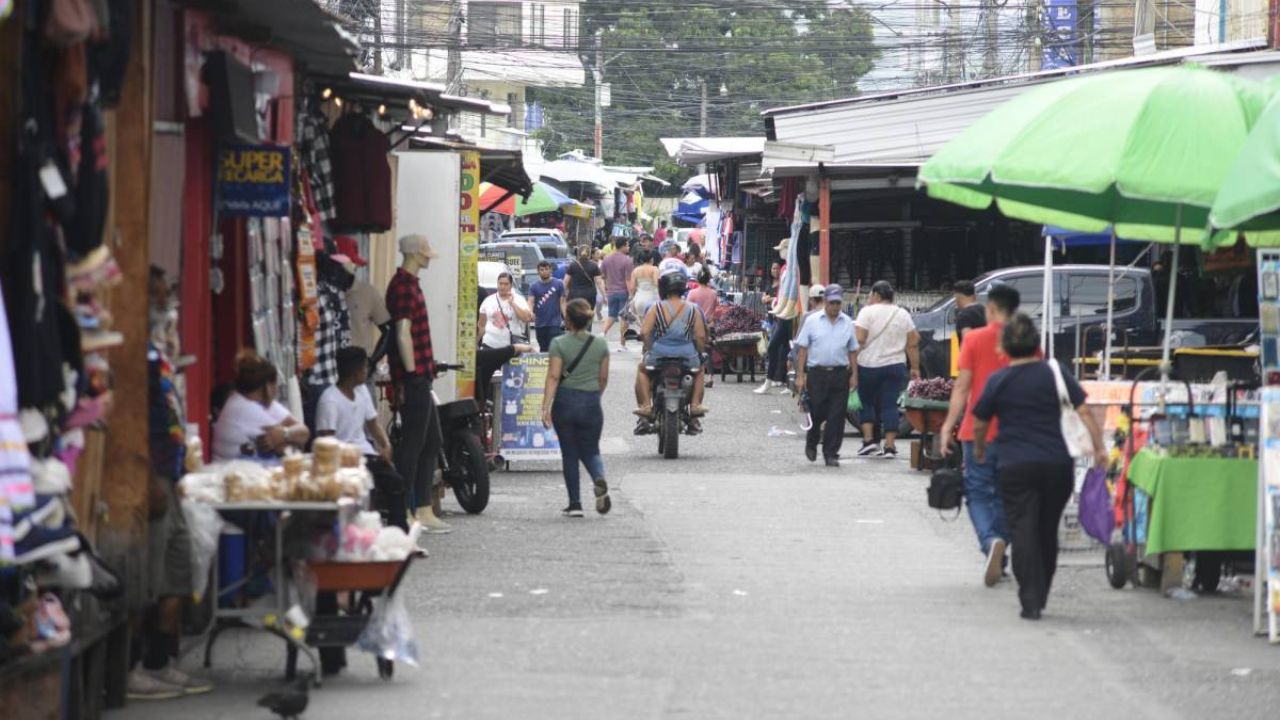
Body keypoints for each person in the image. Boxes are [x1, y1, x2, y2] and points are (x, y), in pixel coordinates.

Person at [972, 314, 1106, 620]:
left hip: (1014, 465)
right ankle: (1041, 589)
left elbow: (980, 421)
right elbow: (1084, 411)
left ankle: (1030, 597)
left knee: (1022, 529)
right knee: (1046, 529)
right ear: (1036, 345)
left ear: (1004, 348)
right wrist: (1099, 447)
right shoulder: (1055, 372)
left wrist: (980, 449)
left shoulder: (999, 380)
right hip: (1058, 465)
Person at [939, 283, 1020, 586]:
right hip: (1015, 431)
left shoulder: (973, 340)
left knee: (977, 491)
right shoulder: (1026, 342)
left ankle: (990, 543)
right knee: (1007, 493)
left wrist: (948, 426)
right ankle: (1000, 548)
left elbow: (962, 387)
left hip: (978, 430)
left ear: (992, 310)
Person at [385, 234, 450, 534]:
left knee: (431, 441)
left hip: (421, 374)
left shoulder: (411, 284)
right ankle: (404, 510)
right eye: (424, 253)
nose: (428, 258)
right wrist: (411, 374)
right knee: (412, 445)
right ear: (413, 254)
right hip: (414, 378)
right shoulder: (402, 288)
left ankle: (422, 507)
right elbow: (401, 333)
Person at [316, 347, 407, 531]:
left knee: (396, 482)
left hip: (366, 453)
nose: (367, 371)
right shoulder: (330, 401)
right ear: (355, 372)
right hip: (343, 460)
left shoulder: (362, 391)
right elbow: (327, 443)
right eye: (365, 368)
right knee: (367, 488)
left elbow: (373, 423)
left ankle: (399, 532)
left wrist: (385, 444)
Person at [541, 299, 613, 518]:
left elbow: (554, 377)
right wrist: (594, 396)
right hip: (591, 402)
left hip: (565, 403)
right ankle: (599, 477)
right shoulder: (601, 344)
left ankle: (575, 504)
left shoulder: (558, 344)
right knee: (591, 449)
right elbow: (603, 378)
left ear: (568, 320)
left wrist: (545, 407)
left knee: (570, 453)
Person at [794, 285, 860, 467]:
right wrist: (800, 375)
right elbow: (803, 349)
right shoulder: (812, 321)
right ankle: (812, 441)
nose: (835, 307)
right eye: (832, 303)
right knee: (816, 412)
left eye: (838, 303)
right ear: (825, 302)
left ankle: (831, 453)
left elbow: (853, 350)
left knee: (837, 416)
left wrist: (854, 375)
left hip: (840, 374)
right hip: (817, 374)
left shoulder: (847, 322)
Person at [853, 281, 920, 458]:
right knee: (890, 405)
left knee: (866, 402)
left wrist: (850, 364)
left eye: (870, 295)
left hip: (869, 365)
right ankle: (890, 446)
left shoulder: (866, 312)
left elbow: (859, 339)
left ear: (876, 295)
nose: (868, 298)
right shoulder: (902, 314)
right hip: (895, 366)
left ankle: (869, 442)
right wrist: (915, 367)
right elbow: (913, 342)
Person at [635, 272, 710, 427]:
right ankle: (695, 405)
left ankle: (646, 406)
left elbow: (644, 332)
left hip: (659, 354)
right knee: (700, 370)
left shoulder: (656, 308)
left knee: (642, 370)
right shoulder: (693, 309)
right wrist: (700, 352)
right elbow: (701, 336)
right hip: (687, 356)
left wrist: (649, 348)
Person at [212, 351, 309, 462]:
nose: (277, 390)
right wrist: (289, 436)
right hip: (230, 474)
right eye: (275, 384)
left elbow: (304, 432)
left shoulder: (262, 402)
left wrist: (285, 434)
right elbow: (287, 449)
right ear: (267, 386)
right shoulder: (245, 408)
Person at [475, 272, 535, 409]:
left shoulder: (518, 299)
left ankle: (511, 408)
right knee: (487, 381)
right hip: (490, 346)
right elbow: (481, 325)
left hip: (511, 349)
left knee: (513, 381)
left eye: (505, 284)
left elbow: (526, 318)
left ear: (510, 284)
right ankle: (487, 407)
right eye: (500, 284)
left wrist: (512, 303)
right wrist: (475, 343)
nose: (502, 287)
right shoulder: (488, 300)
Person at [337, 236, 389, 358]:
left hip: (358, 369)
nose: (354, 267)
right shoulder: (325, 293)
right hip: (330, 367)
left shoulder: (368, 293)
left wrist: (372, 361)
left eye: (354, 263)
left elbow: (388, 330)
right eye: (351, 262)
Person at [757, 254, 791, 396]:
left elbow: (787, 296)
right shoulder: (786, 270)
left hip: (786, 316)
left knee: (782, 349)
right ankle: (774, 381)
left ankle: (773, 381)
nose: (775, 270)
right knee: (784, 350)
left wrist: (774, 301)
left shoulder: (789, 270)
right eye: (773, 268)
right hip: (778, 316)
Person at [600, 236, 635, 350]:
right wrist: (631, 294)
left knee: (611, 316)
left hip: (611, 292)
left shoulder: (606, 259)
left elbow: (603, 275)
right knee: (624, 319)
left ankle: (601, 335)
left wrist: (606, 287)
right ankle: (622, 344)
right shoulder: (627, 260)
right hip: (623, 292)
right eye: (627, 245)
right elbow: (628, 279)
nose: (629, 247)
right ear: (623, 246)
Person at [529, 260, 568, 352]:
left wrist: (566, 317)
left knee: (553, 348)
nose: (544, 271)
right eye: (542, 269)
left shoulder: (558, 284)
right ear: (538, 271)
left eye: (546, 269)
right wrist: (530, 312)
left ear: (550, 270)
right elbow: (531, 301)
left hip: (554, 323)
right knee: (543, 349)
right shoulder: (534, 286)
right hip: (539, 324)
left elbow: (562, 302)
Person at [566, 245, 604, 322]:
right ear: (589, 254)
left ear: (578, 254)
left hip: (575, 294)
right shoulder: (594, 265)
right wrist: (604, 295)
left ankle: (577, 330)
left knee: (576, 315)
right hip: (590, 295)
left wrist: (564, 294)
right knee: (588, 315)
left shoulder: (573, 265)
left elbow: (566, 281)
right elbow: (599, 282)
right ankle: (587, 331)